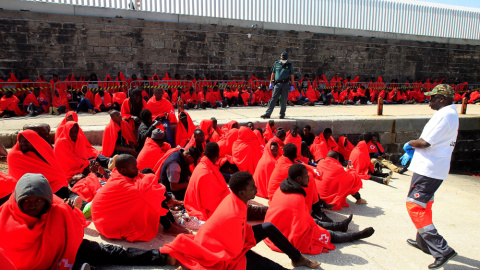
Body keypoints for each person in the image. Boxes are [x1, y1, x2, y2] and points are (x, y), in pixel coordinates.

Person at [0, 173, 172, 269]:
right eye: (26, 201)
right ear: (18, 200)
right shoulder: (5, 218)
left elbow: (77, 227)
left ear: (47, 199)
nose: (32, 205)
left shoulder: (57, 208)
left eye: (38, 200)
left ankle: (161, 257)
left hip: (63, 249)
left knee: (109, 252)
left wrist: (69, 212)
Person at [161, 171, 321, 270]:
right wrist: (251, 247)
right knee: (268, 265)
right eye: (252, 188)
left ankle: (297, 258)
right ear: (241, 191)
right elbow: (235, 251)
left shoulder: (237, 199)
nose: (256, 189)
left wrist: (248, 239)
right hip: (221, 253)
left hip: (232, 242)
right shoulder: (233, 212)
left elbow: (241, 236)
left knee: (269, 227)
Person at [265, 164, 374, 255]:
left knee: (312, 222)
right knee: (325, 234)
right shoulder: (296, 198)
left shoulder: (283, 188)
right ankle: (355, 236)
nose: (309, 177)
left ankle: (340, 226)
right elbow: (300, 232)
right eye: (306, 175)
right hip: (282, 232)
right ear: (298, 179)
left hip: (277, 226)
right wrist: (316, 230)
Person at [404, 85, 458, 269]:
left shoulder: (444, 115)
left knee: (414, 206)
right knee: (424, 205)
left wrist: (409, 144)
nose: (429, 101)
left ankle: (442, 249)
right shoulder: (449, 114)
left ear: (441, 99)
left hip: (429, 169)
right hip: (432, 168)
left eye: (432, 98)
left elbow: (425, 142)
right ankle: (424, 243)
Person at [92, 154, 180, 241]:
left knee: (148, 174)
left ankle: (171, 213)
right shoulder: (122, 184)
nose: (137, 169)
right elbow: (145, 189)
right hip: (106, 222)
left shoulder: (117, 172)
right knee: (149, 193)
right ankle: (168, 226)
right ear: (123, 170)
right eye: (134, 167)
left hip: (106, 215)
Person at [7, 130, 69, 199]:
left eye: (27, 141)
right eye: (21, 141)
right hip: (27, 188)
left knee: (61, 187)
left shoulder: (42, 150)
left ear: (33, 141)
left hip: (47, 183)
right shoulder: (14, 156)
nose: (23, 143)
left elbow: (53, 169)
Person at [261, 51, 294, 119]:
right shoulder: (276, 63)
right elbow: (273, 73)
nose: (283, 60)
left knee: (284, 100)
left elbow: (292, 75)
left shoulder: (289, 64)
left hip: (285, 84)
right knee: (273, 99)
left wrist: (292, 85)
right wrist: (271, 82)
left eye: (285, 59)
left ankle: (282, 114)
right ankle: (268, 113)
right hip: (277, 84)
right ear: (281, 57)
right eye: (283, 58)